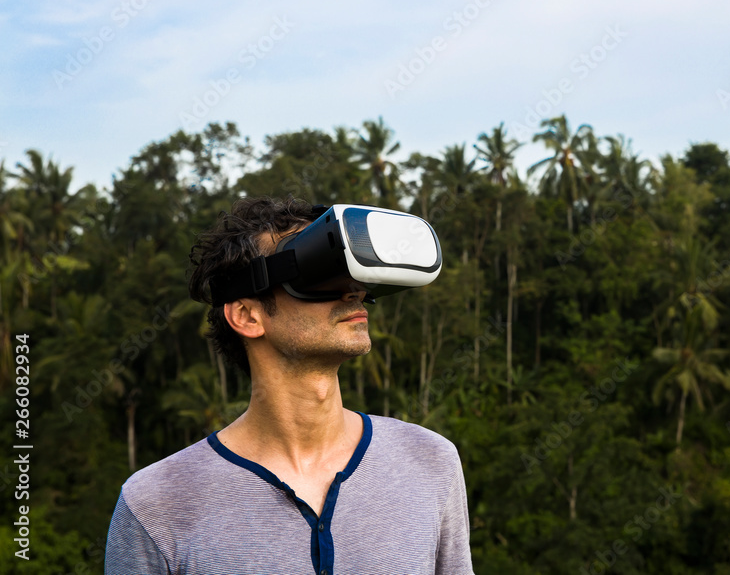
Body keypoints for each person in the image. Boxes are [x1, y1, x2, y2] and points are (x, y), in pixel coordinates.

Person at [104, 196, 474, 574]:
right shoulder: (156, 503)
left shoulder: (430, 461)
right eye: (319, 272)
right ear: (247, 316)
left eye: (355, 276)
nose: (353, 291)